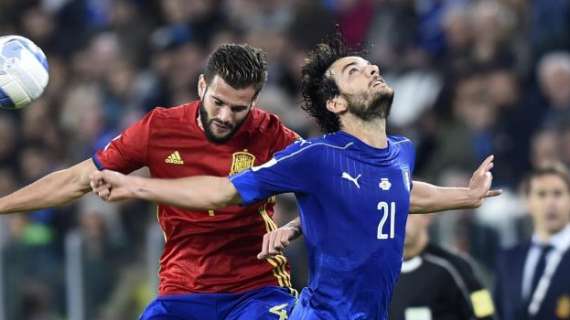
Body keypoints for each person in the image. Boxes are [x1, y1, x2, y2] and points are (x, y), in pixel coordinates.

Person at [90, 35, 500, 319]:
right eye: (355, 70)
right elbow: (223, 191)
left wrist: (466, 195)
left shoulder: (401, 152)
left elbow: (399, 191)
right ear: (336, 101)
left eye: (368, 64)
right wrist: (134, 184)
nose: (372, 68)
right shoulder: (316, 155)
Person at [0, 44, 302, 320]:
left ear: (255, 101)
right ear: (201, 86)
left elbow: (331, 185)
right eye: (217, 102)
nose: (224, 116)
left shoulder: (272, 135)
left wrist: (294, 226)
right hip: (183, 292)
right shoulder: (160, 128)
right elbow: (75, 180)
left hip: (256, 291)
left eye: (238, 109)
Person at [495, 164, 570, 320]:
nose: (550, 203)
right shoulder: (509, 258)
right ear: (528, 202)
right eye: (541, 194)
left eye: (558, 194)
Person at [390, 214, 496, 320]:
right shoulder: (378, 271)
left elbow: (486, 313)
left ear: (426, 217)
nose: (398, 222)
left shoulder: (455, 265)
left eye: (408, 214)